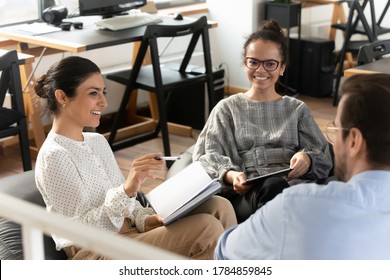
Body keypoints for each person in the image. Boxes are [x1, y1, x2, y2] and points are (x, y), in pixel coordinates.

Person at [34, 56, 237, 260]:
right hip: (96, 250)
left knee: (220, 207)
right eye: (93, 93)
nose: (103, 102)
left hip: (129, 232)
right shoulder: (54, 156)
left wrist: (146, 219)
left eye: (102, 92)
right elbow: (79, 231)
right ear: (62, 97)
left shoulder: (97, 141)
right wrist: (127, 190)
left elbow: (125, 206)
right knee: (207, 229)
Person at [215, 73, 390, 259]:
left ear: (354, 141)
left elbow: (224, 253)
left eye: (337, 130)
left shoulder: (293, 207)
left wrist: (308, 158)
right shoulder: (226, 109)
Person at [193, 19, 333, 223]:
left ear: (282, 67)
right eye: (253, 62)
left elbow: (324, 157)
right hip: (247, 196)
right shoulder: (227, 109)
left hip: (293, 189)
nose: (260, 70)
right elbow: (207, 157)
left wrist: (308, 159)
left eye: (270, 64)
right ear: (244, 63)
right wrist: (231, 176)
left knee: (279, 187)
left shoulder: (297, 109)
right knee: (272, 187)